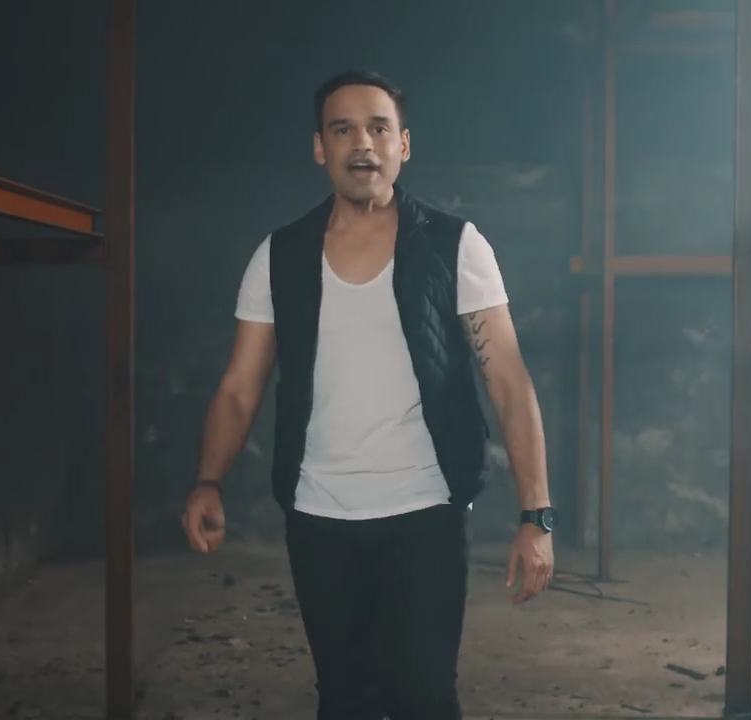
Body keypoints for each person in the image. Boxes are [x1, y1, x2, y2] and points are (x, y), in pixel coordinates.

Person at [181, 69, 558, 720]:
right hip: (318, 515)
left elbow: (507, 381)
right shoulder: (280, 256)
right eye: (343, 129)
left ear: (403, 145)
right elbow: (240, 387)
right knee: (344, 699)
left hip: (426, 513)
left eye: (379, 128)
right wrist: (206, 481)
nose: (363, 143)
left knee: (425, 698)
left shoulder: (454, 246)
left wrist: (537, 516)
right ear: (319, 148)